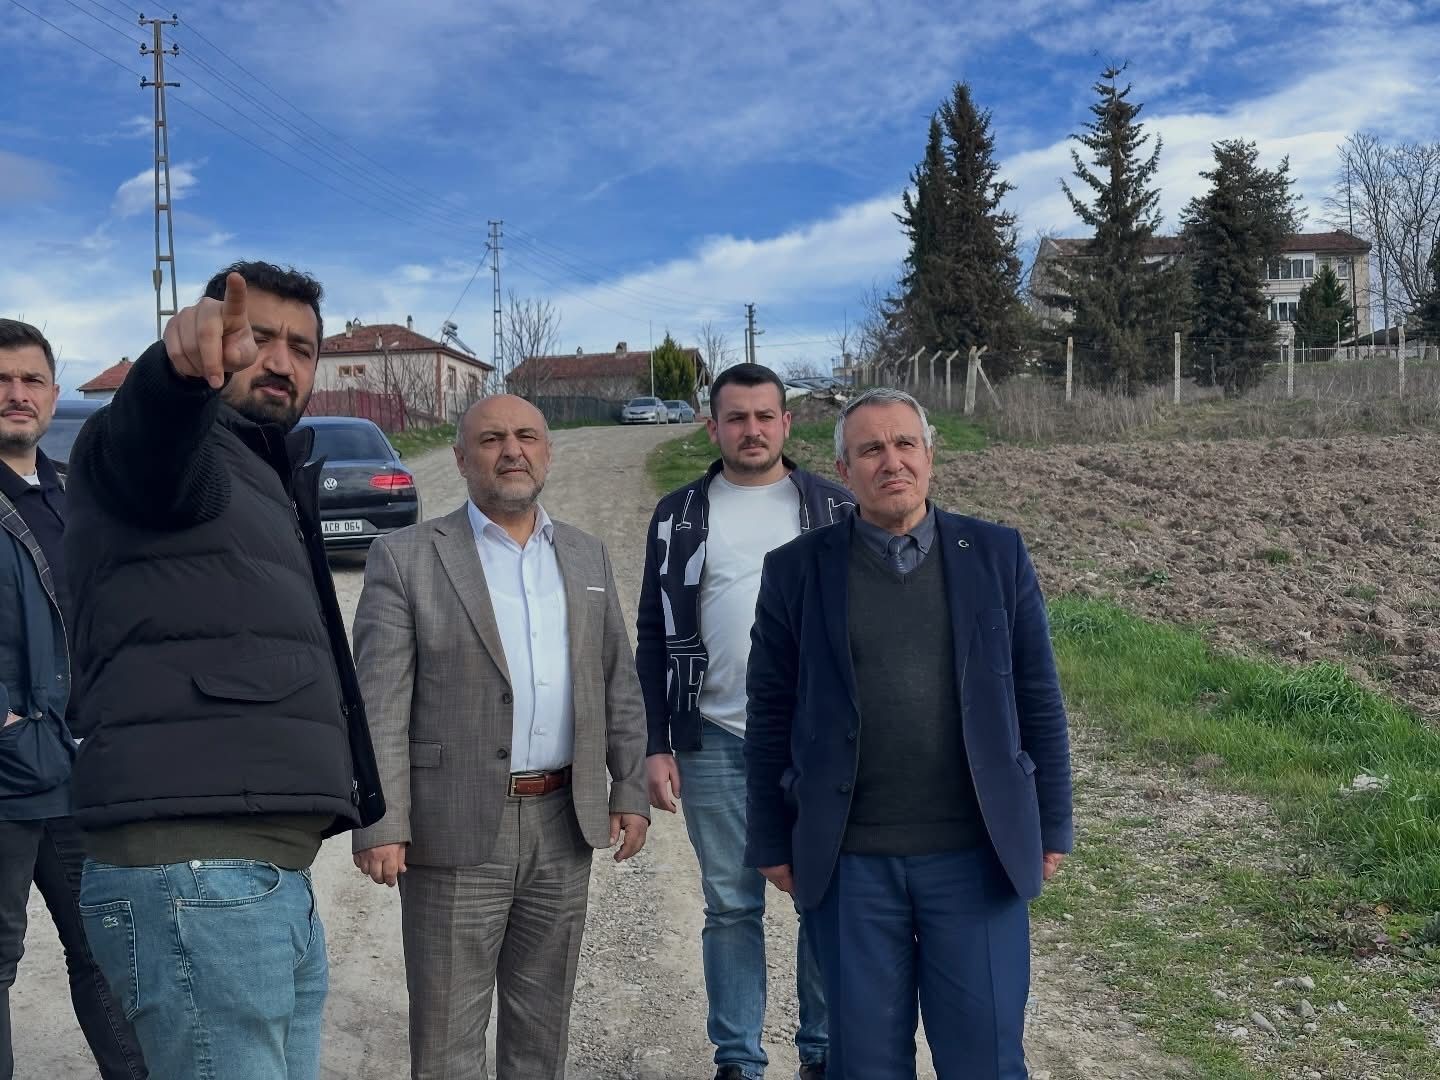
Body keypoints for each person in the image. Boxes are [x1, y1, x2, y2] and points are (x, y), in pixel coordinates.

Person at [61, 263, 385, 1080]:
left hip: (253, 874)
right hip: (197, 872)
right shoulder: (178, 452)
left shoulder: (264, 471)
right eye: (257, 337)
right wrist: (174, 375)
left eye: (302, 348)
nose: (279, 360)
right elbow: (152, 442)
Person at [744, 387, 1074, 1079]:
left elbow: (1038, 698)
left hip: (976, 857)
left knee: (986, 1060)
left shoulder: (996, 554)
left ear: (929, 455)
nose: (891, 461)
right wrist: (770, 837)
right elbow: (769, 713)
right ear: (843, 468)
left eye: (904, 444)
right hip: (851, 863)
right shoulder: (797, 570)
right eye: (871, 449)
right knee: (865, 1063)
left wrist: (1052, 825)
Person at [351, 394, 649, 1080]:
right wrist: (381, 821)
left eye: (526, 436)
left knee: (542, 1032)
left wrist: (629, 787)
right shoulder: (405, 558)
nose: (512, 450)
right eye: (491, 439)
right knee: (447, 1038)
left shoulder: (586, 555)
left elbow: (617, 681)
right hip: (452, 828)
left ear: (547, 452)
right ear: (460, 459)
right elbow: (379, 704)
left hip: (562, 823)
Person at [636, 363, 852, 1080]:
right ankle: (739, 1060)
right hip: (716, 738)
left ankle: (823, 1052)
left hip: (818, 741)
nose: (751, 430)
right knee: (731, 905)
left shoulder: (834, 508)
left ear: (787, 423)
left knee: (825, 896)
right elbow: (652, 632)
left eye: (764, 416)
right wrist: (657, 742)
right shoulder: (678, 516)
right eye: (736, 418)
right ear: (713, 427)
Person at [0, 320, 147, 1080]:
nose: (16, 394)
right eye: (1, 380)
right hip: (7, 772)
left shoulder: (69, 494)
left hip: (76, 768)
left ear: (54, 396)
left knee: (104, 949)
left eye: (30, 380)